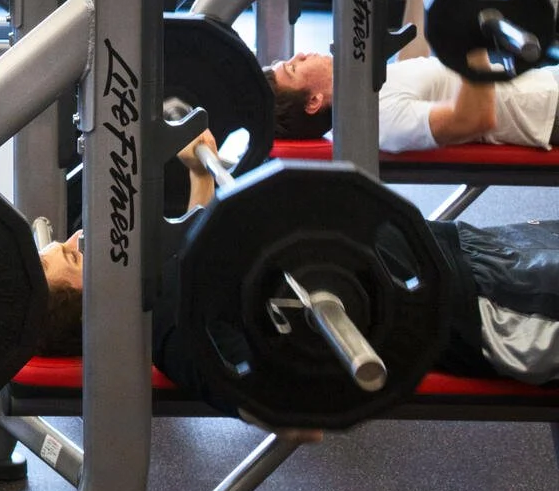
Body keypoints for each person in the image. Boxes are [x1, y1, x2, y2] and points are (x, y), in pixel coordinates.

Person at [38, 121, 559, 386]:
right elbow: (258, 392)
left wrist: (200, 173)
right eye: (74, 258)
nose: (80, 238)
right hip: (479, 304)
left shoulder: (159, 279)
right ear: (95, 314)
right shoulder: (171, 333)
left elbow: (200, 241)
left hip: (460, 246)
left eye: (66, 243)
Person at [267, 47, 559, 153]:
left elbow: (416, 71)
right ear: (313, 102)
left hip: (544, 84)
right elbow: (473, 119)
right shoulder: (378, 116)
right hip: (546, 111)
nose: (300, 55)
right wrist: (473, 44)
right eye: (293, 68)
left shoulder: (364, 96)